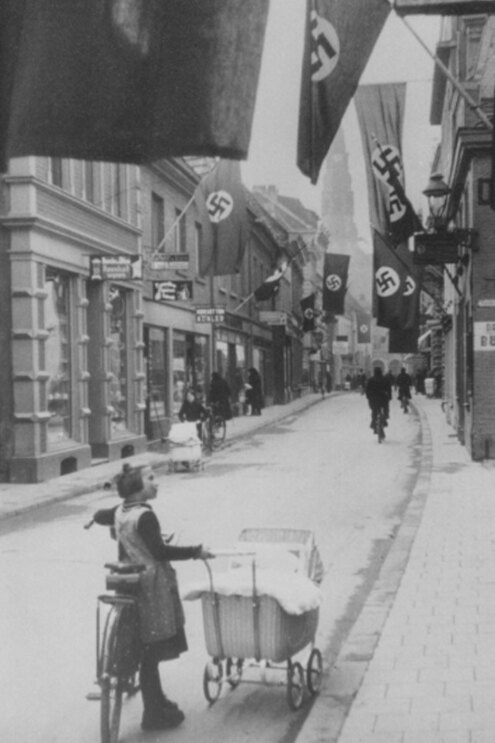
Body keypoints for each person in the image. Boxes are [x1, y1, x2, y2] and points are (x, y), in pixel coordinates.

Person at [92, 463, 214, 732]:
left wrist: (93, 518)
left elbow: (103, 514)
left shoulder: (122, 511)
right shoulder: (146, 516)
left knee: (144, 647)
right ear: (137, 488)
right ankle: (154, 713)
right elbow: (159, 551)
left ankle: (157, 701)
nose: (156, 483)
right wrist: (197, 551)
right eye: (150, 479)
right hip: (151, 586)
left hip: (129, 584)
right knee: (152, 649)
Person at [365, 367, 392, 433]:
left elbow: (367, 390)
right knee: (385, 409)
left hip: (374, 399)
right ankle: (384, 419)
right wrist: (389, 397)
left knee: (374, 411)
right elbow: (389, 389)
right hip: (383, 398)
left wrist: (368, 397)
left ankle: (374, 423)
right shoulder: (385, 379)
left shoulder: (371, 380)